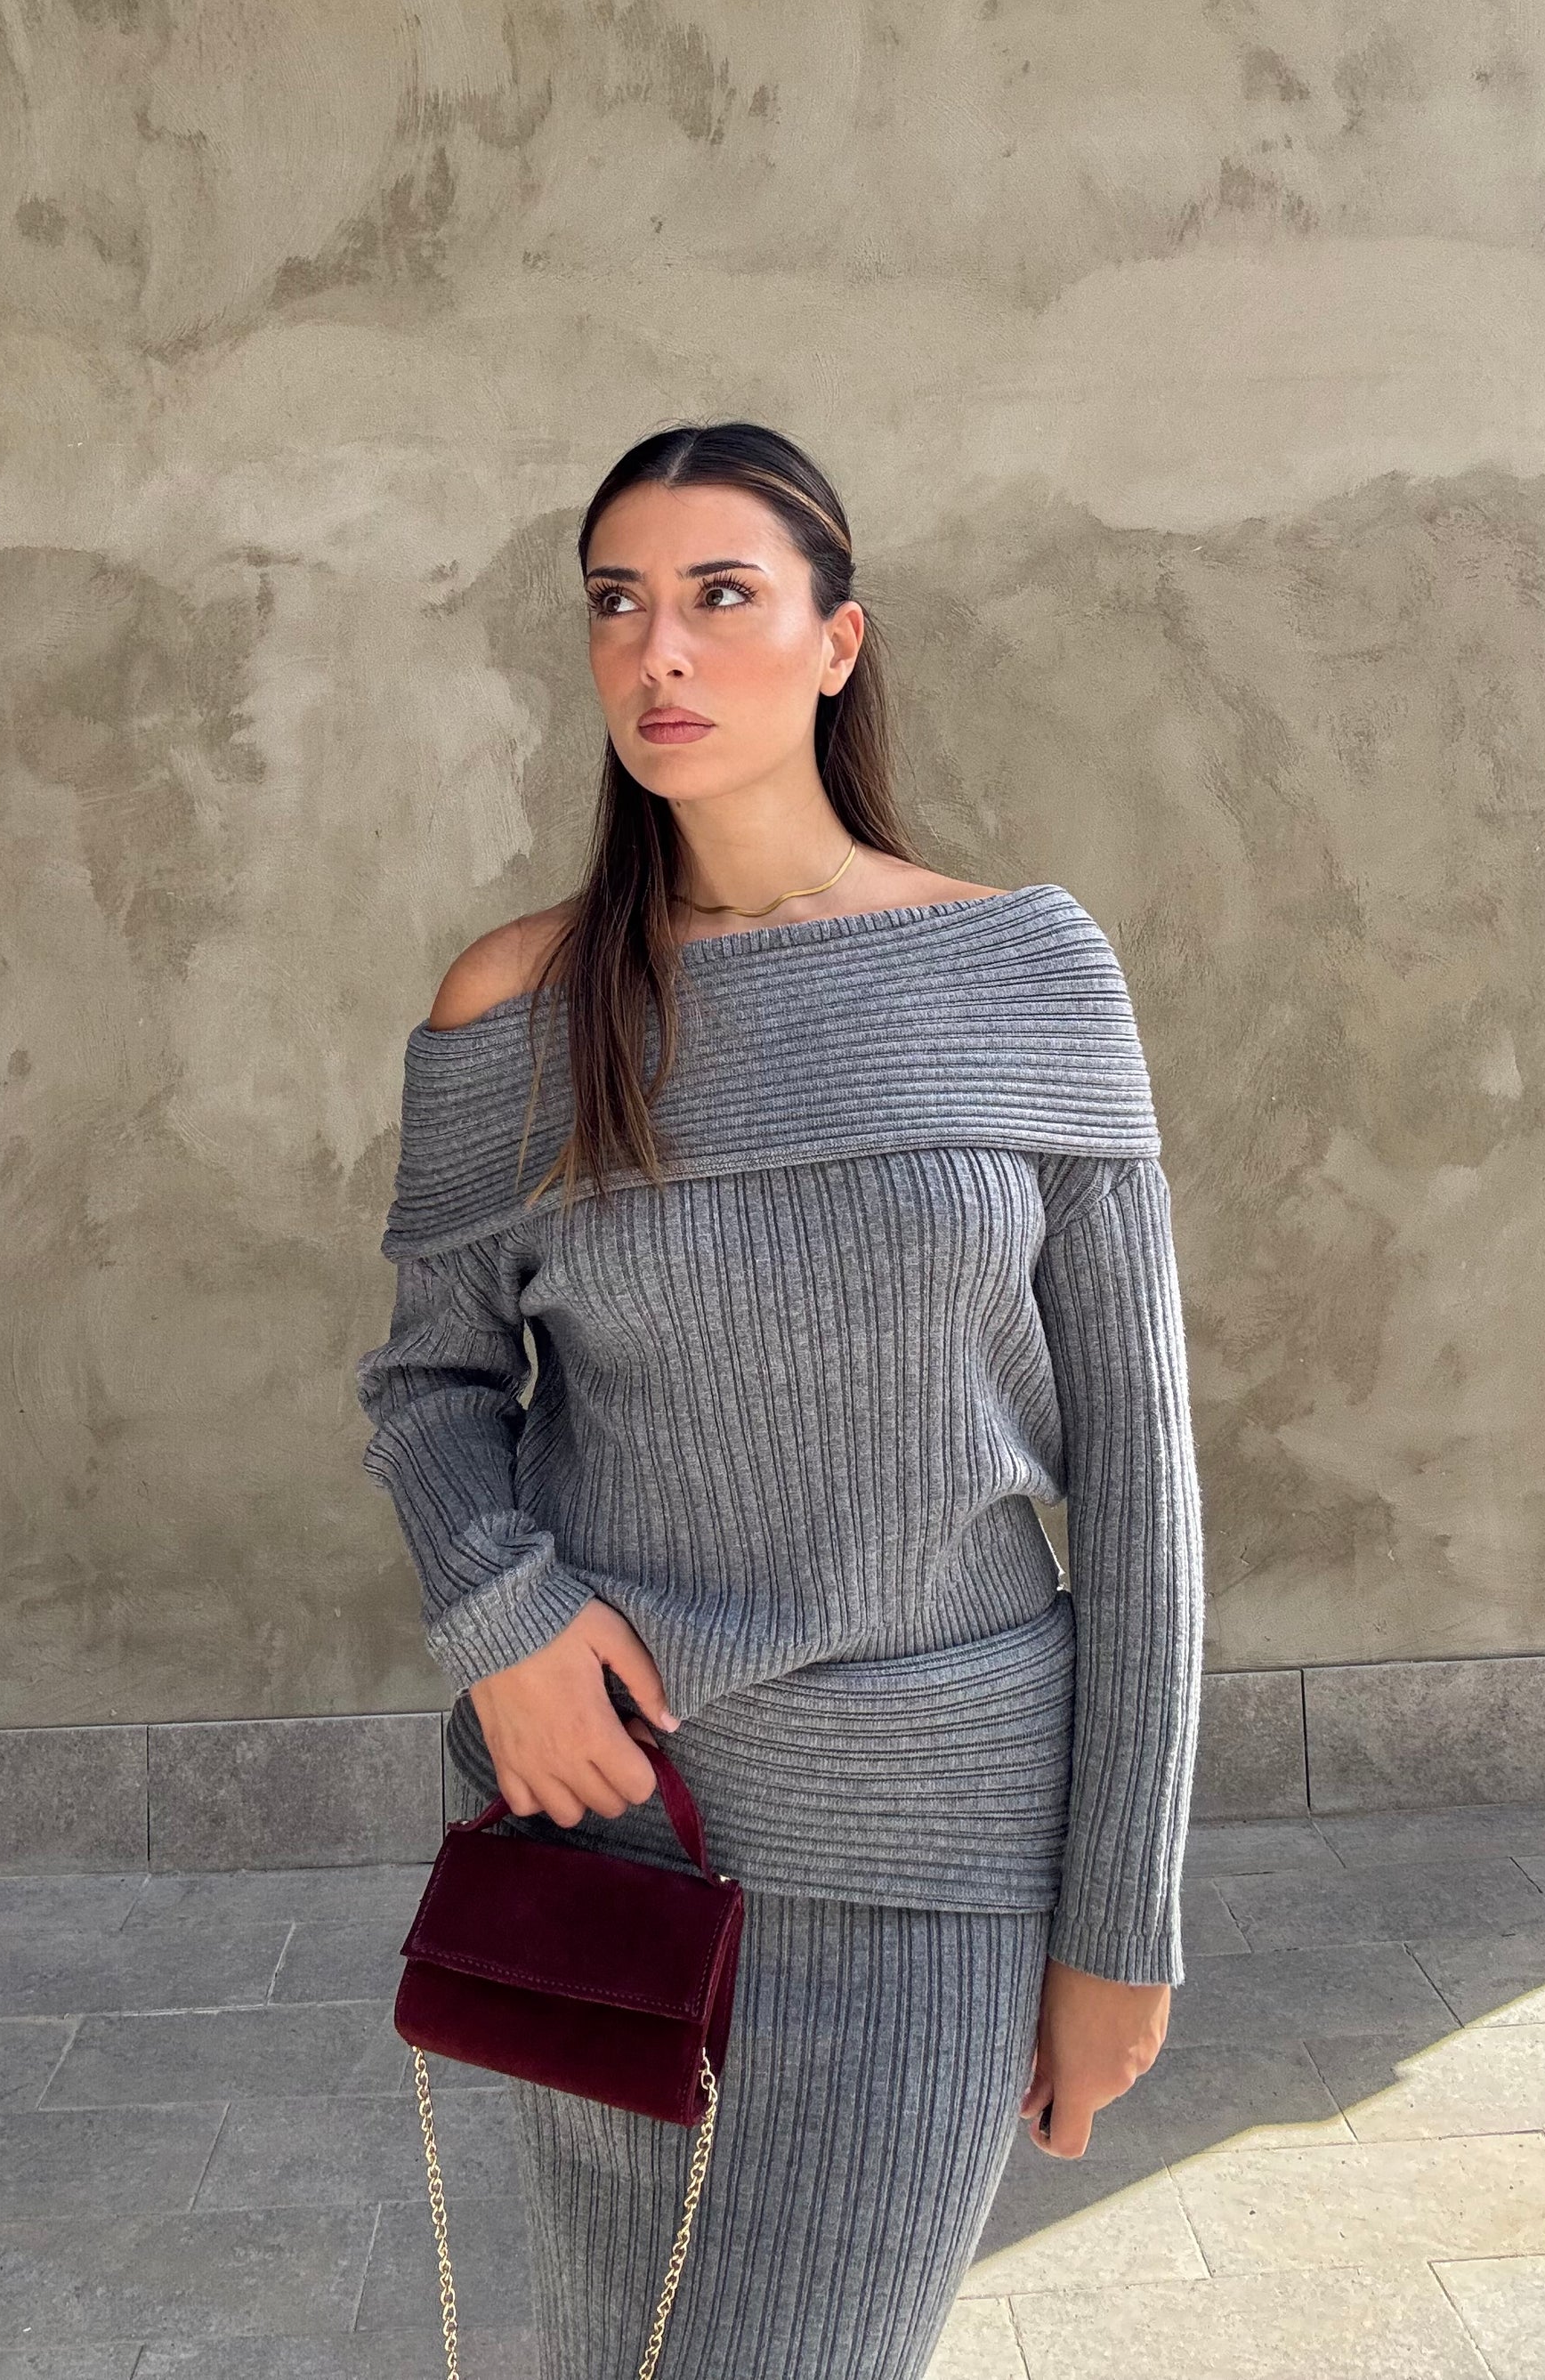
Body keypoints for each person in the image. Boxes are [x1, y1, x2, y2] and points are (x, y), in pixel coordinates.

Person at [357, 418, 1205, 2380]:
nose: (657, 649)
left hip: (935, 1848)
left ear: (837, 640)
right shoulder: (521, 1001)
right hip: (617, 1829)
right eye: (617, 602)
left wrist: (1121, 1925)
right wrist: (502, 1619)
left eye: (720, 595)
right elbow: (430, 1380)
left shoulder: (1019, 971)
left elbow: (1143, 1485)